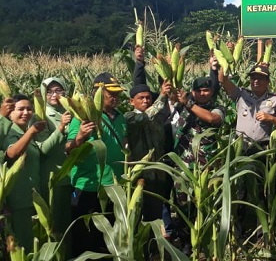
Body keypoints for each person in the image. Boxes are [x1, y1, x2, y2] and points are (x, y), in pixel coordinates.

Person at [65, 72, 127, 257]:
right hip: (88, 184)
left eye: (118, 94)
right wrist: (80, 137)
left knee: (107, 236)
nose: (116, 98)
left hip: (113, 185)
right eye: (111, 94)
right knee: (85, 236)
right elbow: (68, 148)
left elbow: (123, 141)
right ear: (97, 93)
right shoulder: (82, 117)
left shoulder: (120, 116)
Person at [2, 94, 63, 250]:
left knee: (33, 243)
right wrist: (31, 132)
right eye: (20, 109)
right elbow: (12, 154)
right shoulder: (10, 134)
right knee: (24, 245)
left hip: (32, 197)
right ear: (10, 113)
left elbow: (41, 153)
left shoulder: (26, 133)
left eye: (29, 109)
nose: (26, 113)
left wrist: (60, 129)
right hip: (18, 200)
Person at [124, 80, 172, 222]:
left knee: (155, 216)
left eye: (148, 97)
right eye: (141, 98)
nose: (145, 100)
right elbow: (144, 118)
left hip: (157, 174)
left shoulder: (157, 118)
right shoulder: (129, 117)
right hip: (139, 175)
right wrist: (162, 95)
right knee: (136, 214)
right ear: (131, 101)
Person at [219, 63, 276, 151]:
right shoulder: (241, 94)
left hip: (262, 148)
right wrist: (225, 60)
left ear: (267, 82)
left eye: (260, 78)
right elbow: (223, 80)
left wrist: (271, 119)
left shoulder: (275, 100)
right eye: (253, 78)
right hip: (240, 146)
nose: (256, 81)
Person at [37, 78, 73, 243]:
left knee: (67, 225)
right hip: (53, 177)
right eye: (50, 91)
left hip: (69, 176)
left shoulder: (68, 110)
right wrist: (61, 128)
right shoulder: (41, 114)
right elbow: (43, 149)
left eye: (58, 90)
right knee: (56, 226)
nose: (54, 94)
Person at [175, 76, 225, 167]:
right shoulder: (183, 106)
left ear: (212, 92)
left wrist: (188, 104)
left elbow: (212, 118)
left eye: (206, 90)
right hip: (182, 162)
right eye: (198, 91)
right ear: (193, 92)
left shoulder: (217, 108)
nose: (202, 94)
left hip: (204, 163)